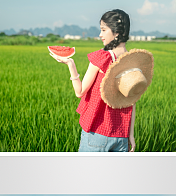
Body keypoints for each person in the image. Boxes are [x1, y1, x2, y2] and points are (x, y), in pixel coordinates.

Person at [49, 9, 136, 152]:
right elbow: (132, 102)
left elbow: (80, 92)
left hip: (97, 133)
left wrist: (70, 64)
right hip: (121, 136)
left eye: (103, 30)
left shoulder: (102, 58)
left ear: (117, 32)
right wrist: (130, 135)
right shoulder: (132, 61)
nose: (100, 34)